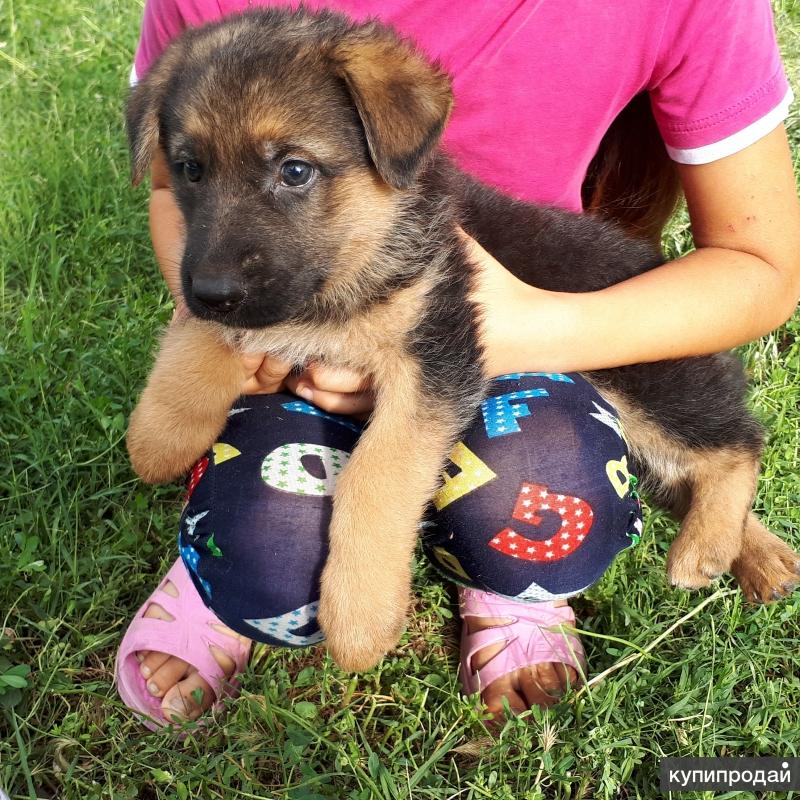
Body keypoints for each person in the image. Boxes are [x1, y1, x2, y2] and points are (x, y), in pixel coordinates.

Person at [115, 0, 800, 727]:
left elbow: (761, 266)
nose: (217, 252)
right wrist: (212, 357)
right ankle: (234, 557)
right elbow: (172, 206)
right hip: (310, 369)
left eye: (292, 170)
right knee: (261, 553)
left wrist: (533, 331)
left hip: (552, 333)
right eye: (197, 167)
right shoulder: (211, 44)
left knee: (564, 479)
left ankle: (718, 482)